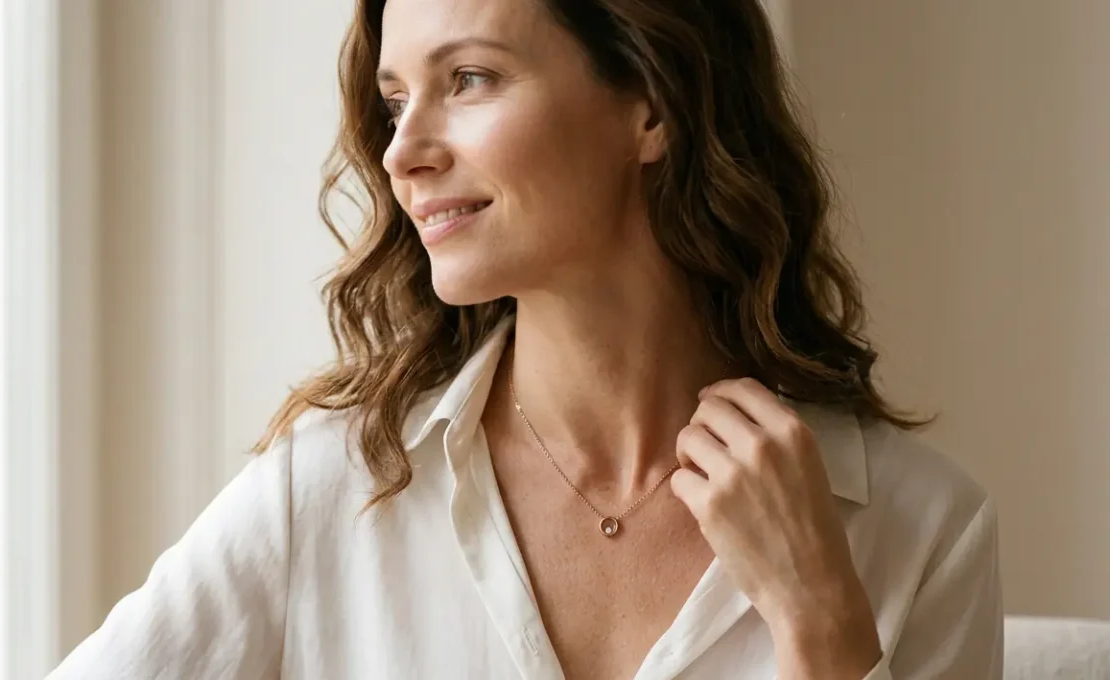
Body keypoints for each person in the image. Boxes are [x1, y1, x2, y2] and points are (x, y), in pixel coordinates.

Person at [49, 0, 1003, 677]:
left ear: (653, 106)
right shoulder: (331, 490)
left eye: (468, 79)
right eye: (393, 101)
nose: (402, 151)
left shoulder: (922, 530)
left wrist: (826, 631)